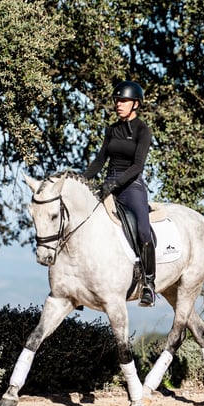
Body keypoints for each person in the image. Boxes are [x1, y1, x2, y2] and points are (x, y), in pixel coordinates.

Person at [83, 80, 156, 307]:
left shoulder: (143, 130)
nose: (118, 104)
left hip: (131, 186)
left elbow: (137, 166)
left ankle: (149, 284)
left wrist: (115, 183)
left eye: (123, 101)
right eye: (117, 100)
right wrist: (83, 180)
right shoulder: (112, 129)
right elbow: (100, 159)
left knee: (143, 231)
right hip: (108, 184)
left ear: (135, 104)